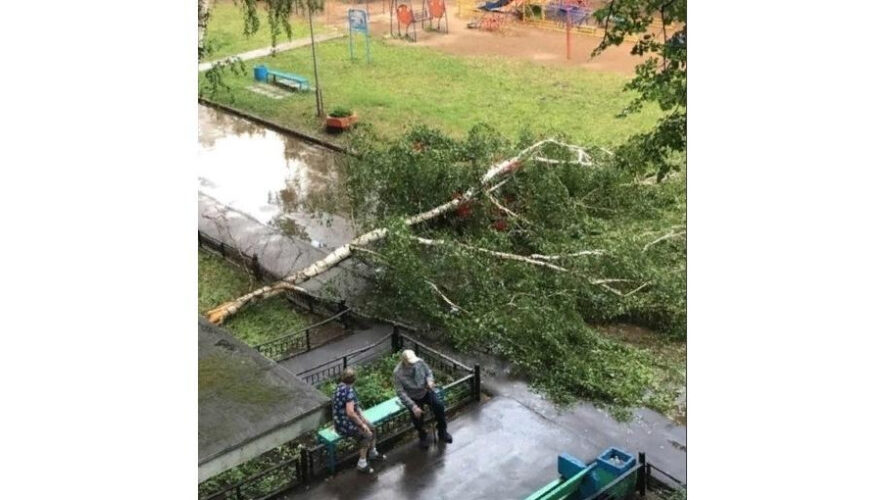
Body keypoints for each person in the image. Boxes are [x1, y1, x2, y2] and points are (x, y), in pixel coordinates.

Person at [393, 349, 452, 448]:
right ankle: (423, 435)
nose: (413, 364)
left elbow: (428, 373)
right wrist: (413, 406)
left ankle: (442, 431)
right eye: (410, 362)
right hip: (412, 397)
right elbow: (400, 392)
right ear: (404, 361)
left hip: (426, 390)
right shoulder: (398, 373)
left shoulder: (420, 362)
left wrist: (430, 381)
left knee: (439, 406)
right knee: (417, 417)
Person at [332, 368, 385, 473]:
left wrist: (363, 418)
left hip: (342, 420)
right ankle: (362, 464)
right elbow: (350, 413)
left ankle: (372, 453)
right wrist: (362, 424)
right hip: (344, 424)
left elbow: (356, 407)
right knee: (367, 435)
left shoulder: (339, 387)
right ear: (354, 379)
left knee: (372, 428)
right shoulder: (349, 391)